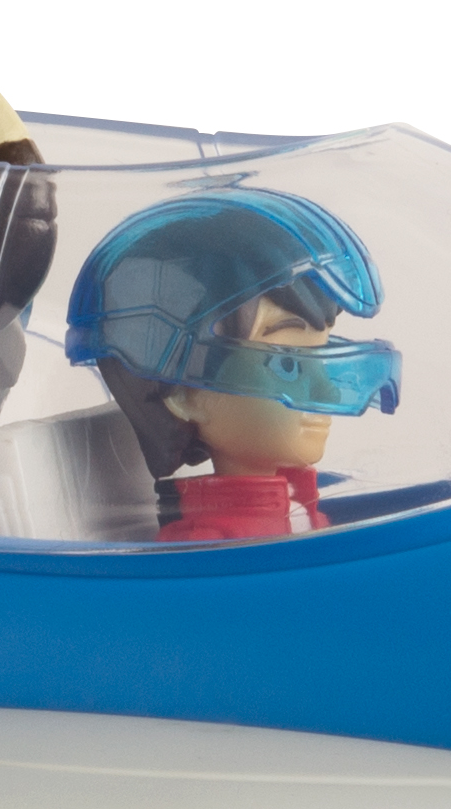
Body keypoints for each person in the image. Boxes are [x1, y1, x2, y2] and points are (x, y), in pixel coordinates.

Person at [62, 190, 402, 545]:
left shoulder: (301, 510)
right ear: (184, 394)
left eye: (322, 353)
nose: (327, 392)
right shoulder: (204, 544)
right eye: (289, 365)